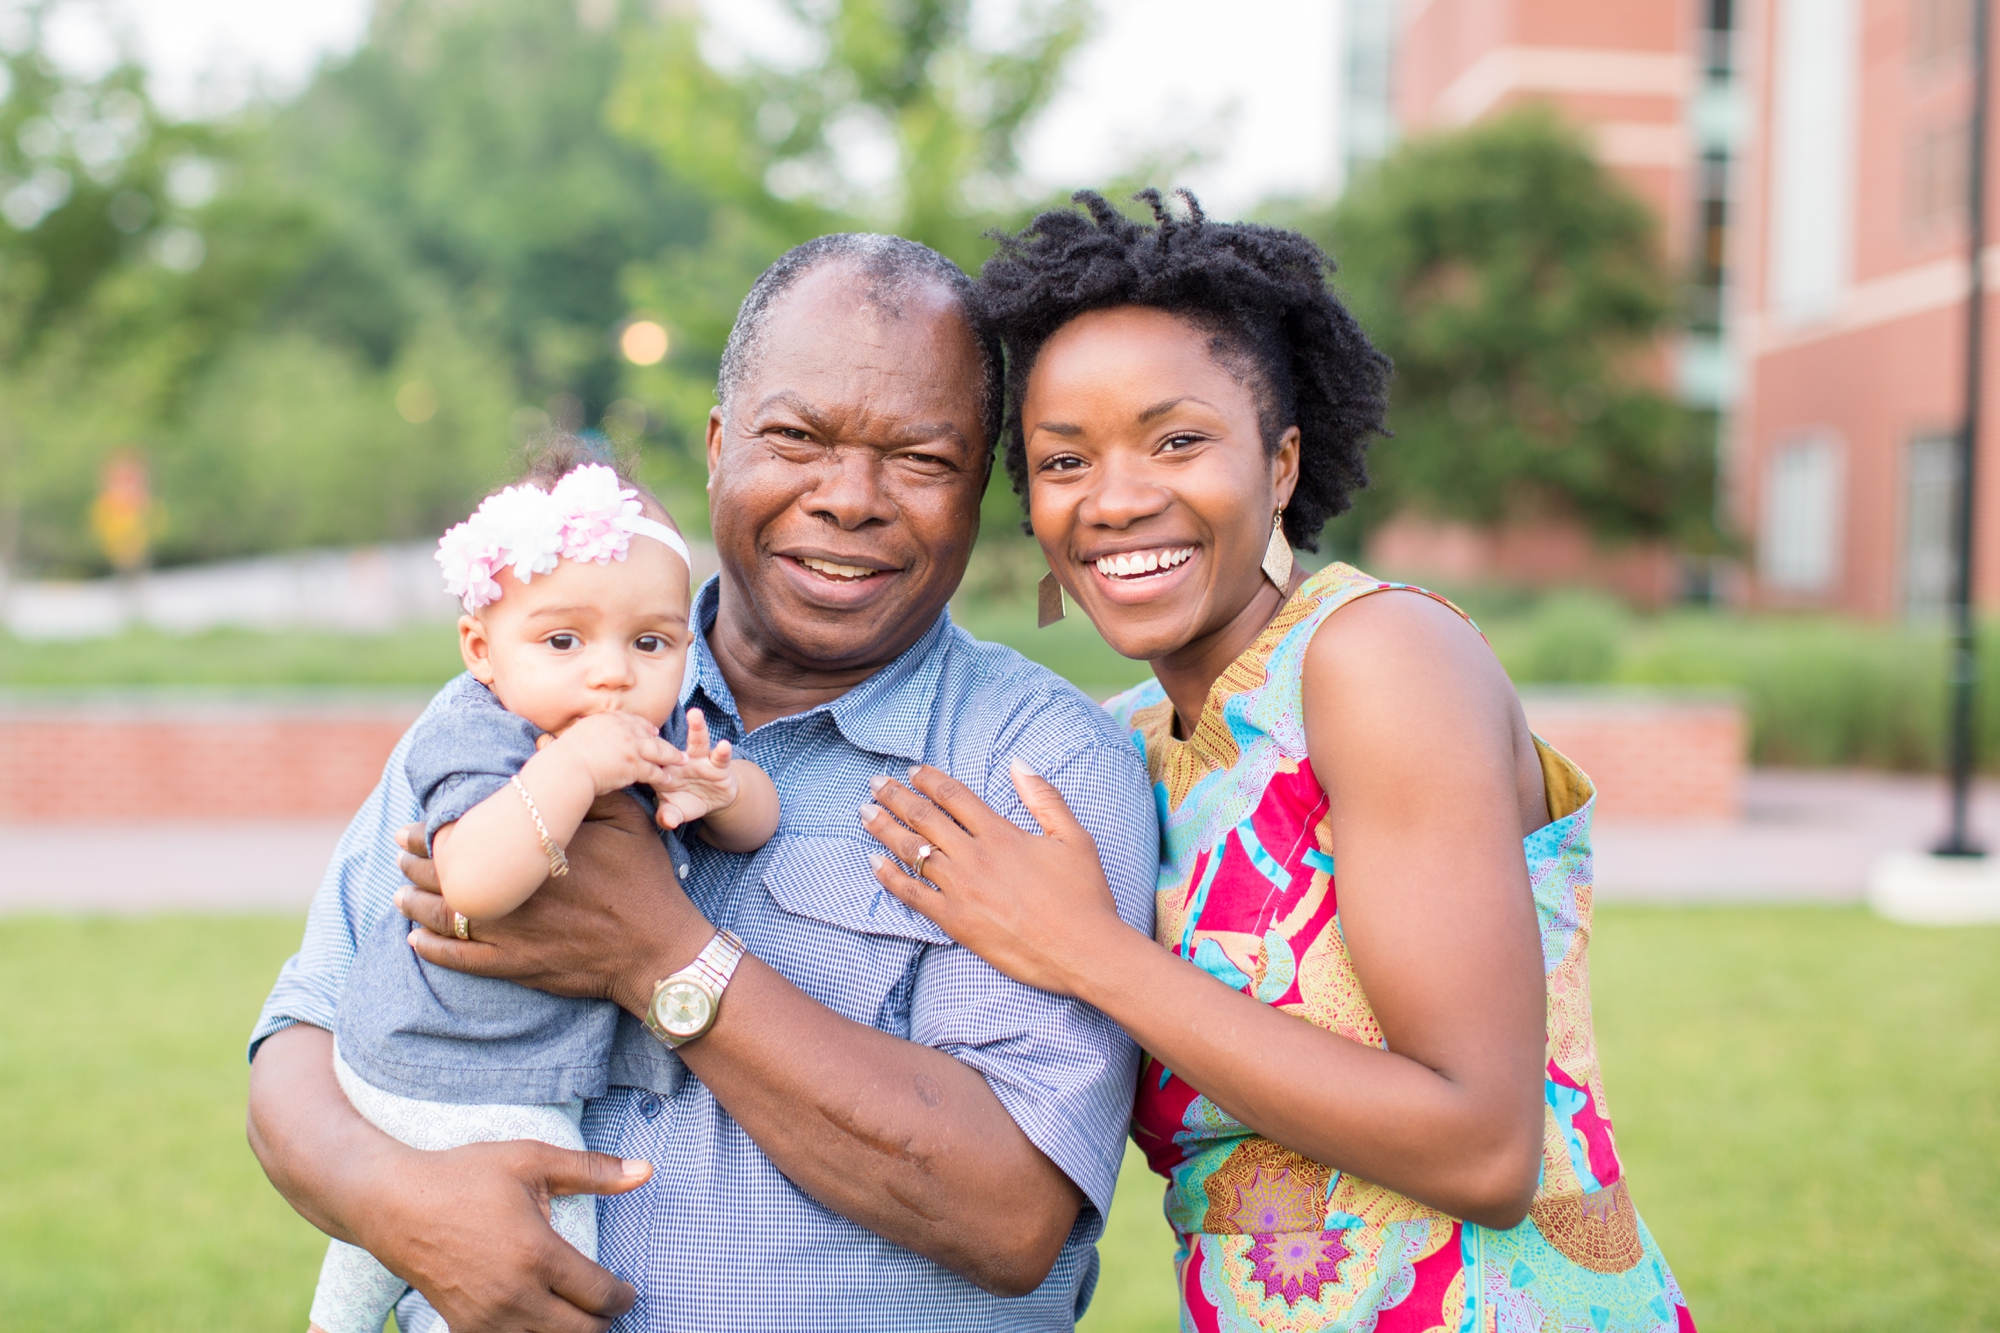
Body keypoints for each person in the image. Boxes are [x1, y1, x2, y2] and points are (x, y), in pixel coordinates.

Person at [246, 233, 1159, 1332]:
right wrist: (398, 1201)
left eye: (920, 459)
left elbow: (1010, 1217)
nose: (850, 497)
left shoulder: (1037, 765)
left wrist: (660, 956)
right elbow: (298, 1040)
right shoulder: (520, 693)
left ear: (980, 490)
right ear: (722, 445)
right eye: (797, 438)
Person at [858, 192, 1697, 1332]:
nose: (1115, 499)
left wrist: (1082, 950)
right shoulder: (1122, 747)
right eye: (1063, 460)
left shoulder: (1376, 657)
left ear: (1281, 461)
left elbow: (1482, 1144)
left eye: (1176, 440)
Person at [307, 450, 779, 1333]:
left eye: (650, 642)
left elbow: (759, 821)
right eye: (563, 640)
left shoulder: (652, 727)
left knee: (387, 1246)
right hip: (446, 1065)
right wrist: (570, 768)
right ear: (481, 649)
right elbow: (475, 881)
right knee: (548, 1245)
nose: (610, 674)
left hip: (485, 1064)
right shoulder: (478, 731)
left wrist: (722, 791)